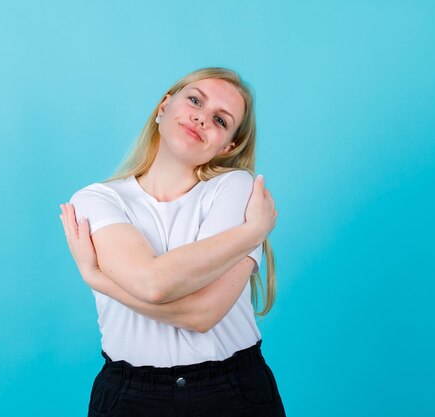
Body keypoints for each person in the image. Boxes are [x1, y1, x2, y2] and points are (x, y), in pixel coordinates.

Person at [59, 67, 286, 416]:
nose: (201, 118)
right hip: (129, 395)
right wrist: (251, 233)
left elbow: (201, 314)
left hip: (231, 391)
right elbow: (153, 284)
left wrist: (98, 279)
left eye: (221, 120)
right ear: (164, 107)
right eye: (194, 100)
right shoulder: (96, 199)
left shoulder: (237, 188)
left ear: (228, 145)